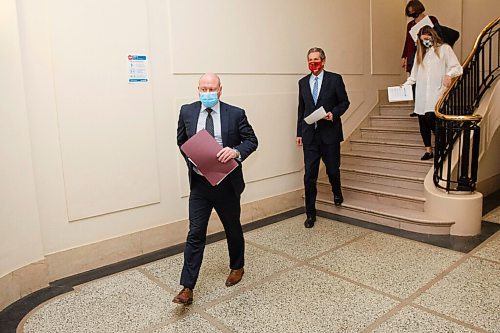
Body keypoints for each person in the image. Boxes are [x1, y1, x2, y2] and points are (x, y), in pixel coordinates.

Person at [174, 73, 258, 305]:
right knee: (195, 232)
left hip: (227, 184)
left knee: (232, 227)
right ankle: (187, 286)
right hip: (200, 185)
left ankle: (237, 266)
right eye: (204, 89)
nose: (207, 93)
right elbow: (181, 141)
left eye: (212, 89)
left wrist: (236, 152)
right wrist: (192, 158)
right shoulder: (187, 111)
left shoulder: (236, 113)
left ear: (220, 90)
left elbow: (252, 140)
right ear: (198, 90)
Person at [296, 47, 350, 228]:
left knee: (332, 170)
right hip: (310, 136)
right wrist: (299, 133)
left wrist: (333, 113)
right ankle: (310, 213)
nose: (313, 63)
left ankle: (337, 191)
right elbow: (301, 110)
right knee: (309, 176)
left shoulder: (335, 79)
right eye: (310, 60)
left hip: (330, 135)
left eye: (316, 59)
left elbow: (344, 102)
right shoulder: (303, 82)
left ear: (323, 61)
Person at [402, 26, 462, 160]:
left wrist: (449, 74)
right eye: (422, 40)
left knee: (431, 117)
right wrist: (404, 86)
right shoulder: (421, 54)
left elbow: (457, 67)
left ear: (433, 36)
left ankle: (443, 143)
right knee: (422, 121)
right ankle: (428, 150)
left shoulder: (444, 49)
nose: (425, 42)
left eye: (427, 39)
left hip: (437, 91)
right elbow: (413, 76)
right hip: (422, 93)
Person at [401, 0, 441, 117]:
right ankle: (417, 107)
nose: (413, 15)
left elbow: (438, 35)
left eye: (414, 12)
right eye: (410, 13)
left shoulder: (432, 20)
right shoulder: (410, 25)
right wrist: (404, 56)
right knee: (414, 80)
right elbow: (407, 41)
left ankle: (431, 106)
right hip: (414, 53)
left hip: (428, 53)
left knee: (428, 79)